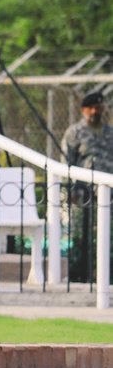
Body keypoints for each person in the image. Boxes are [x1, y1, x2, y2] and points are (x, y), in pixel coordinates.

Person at [62, 90, 113, 283]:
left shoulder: (110, 132)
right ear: (84, 110)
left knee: (107, 234)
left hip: (109, 191)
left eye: (98, 108)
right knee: (82, 234)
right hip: (85, 192)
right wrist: (71, 189)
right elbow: (67, 161)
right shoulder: (75, 133)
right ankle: (81, 273)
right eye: (91, 108)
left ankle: (105, 272)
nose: (95, 111)